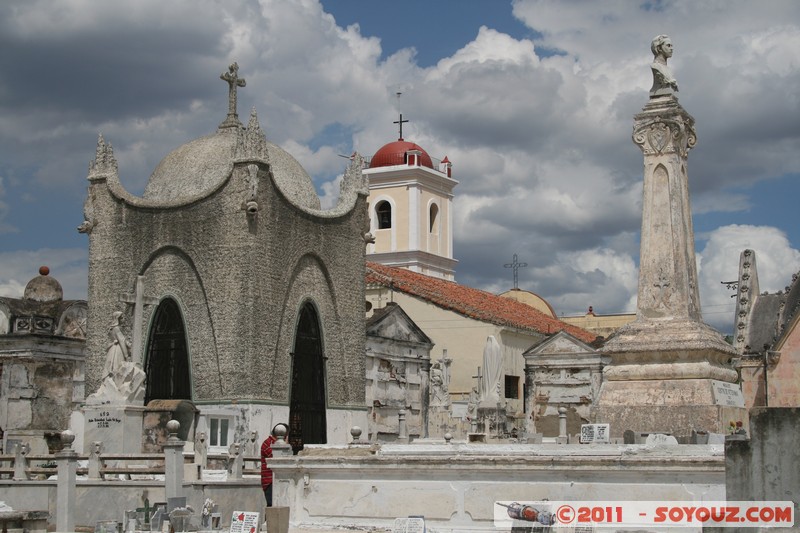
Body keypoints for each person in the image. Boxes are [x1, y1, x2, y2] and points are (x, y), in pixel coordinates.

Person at [261, 423, 288, 506]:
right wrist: (285, 444)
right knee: (271, 505)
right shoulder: (268, 443)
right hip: (269, 480)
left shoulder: (271, 443)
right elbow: (277, 458)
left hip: (274, 479)